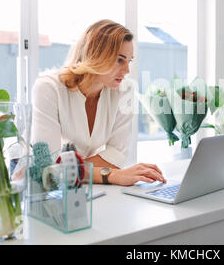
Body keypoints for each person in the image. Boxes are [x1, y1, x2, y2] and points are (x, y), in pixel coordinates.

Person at [31, 19, 166, 186]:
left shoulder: (125, 90)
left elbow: (117, 153)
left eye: (129, 61)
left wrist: (74, 171)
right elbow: (47, 167)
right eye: (119, 60)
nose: (127, 70)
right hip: (40, 191)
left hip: (83, 189)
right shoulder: (48, 88)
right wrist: (109, 175)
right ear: (96, 55)